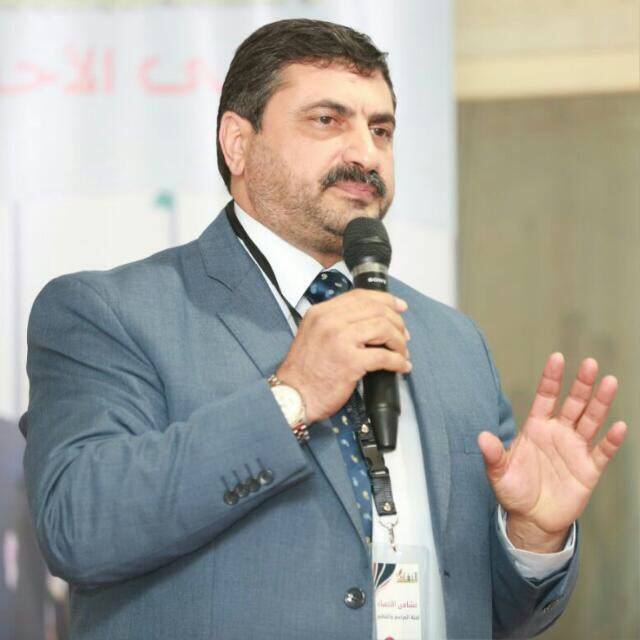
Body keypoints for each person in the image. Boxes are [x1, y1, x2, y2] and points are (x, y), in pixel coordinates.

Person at [22, 19, 627, 640]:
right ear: (238, 143)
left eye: (381, 129)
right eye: (327, 120)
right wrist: (290, 397)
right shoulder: (110, 312)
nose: (365, 153)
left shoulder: (455, 342)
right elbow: (78, 528)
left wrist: (532, 537)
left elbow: (493, 611)